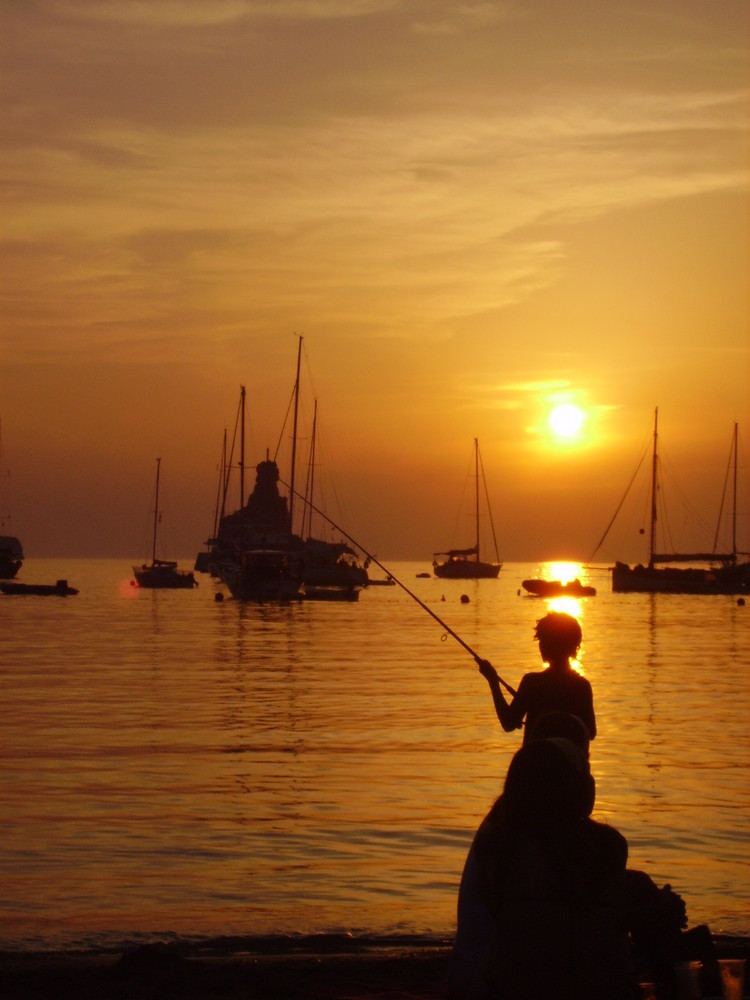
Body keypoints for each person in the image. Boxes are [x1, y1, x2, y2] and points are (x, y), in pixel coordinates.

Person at [470, 737, 638, 999]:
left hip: (513, 987)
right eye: (587, 772)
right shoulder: (610, 846)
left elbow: (495, 908)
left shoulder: (495, 846)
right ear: (576, 788)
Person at [478, 611, 596, 742]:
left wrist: (493, 682)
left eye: (544, 640)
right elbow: (590, 732)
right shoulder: (582, 686)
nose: (541, 646)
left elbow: (509, 723)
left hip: (535, 759)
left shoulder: (532, 683)